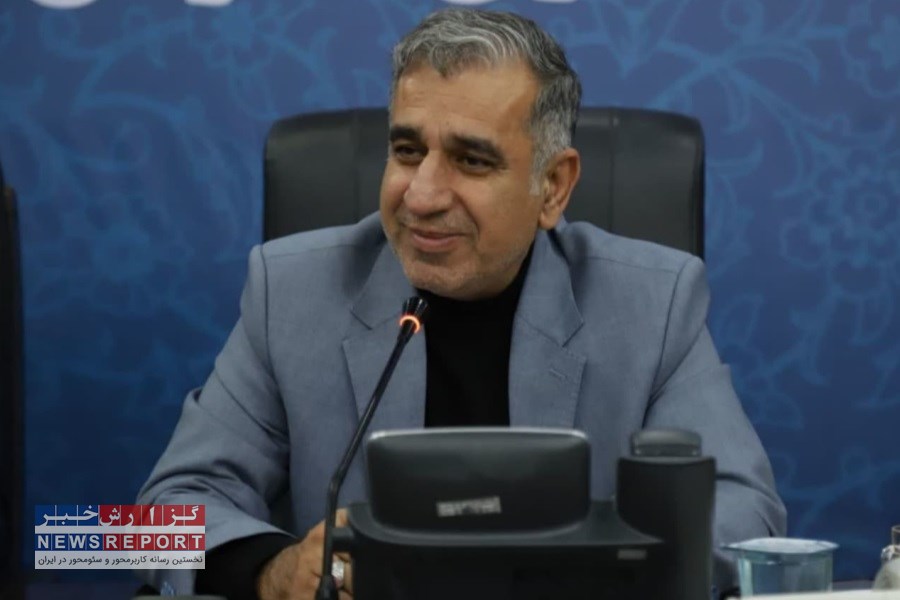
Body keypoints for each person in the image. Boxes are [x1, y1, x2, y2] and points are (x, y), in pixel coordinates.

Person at [136, 7, 786, 599]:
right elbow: (144, 528)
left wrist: (585, 577)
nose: (420, 195)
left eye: (472, 161)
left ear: (553, 187)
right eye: (407, 151)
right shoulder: (288, 290)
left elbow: (745, 514)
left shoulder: (654, 301)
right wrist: (273, 572)